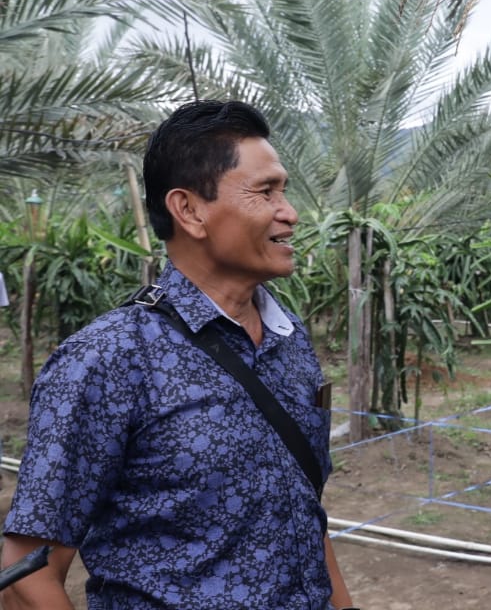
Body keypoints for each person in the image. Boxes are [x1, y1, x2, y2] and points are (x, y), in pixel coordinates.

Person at [1, 101, 354, 609]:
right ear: (189, 211)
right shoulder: (107, 360)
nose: (290, 213)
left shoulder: (289, 338)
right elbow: (26, 572)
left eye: (284, 191)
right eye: (265, 192)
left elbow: (303, 509)